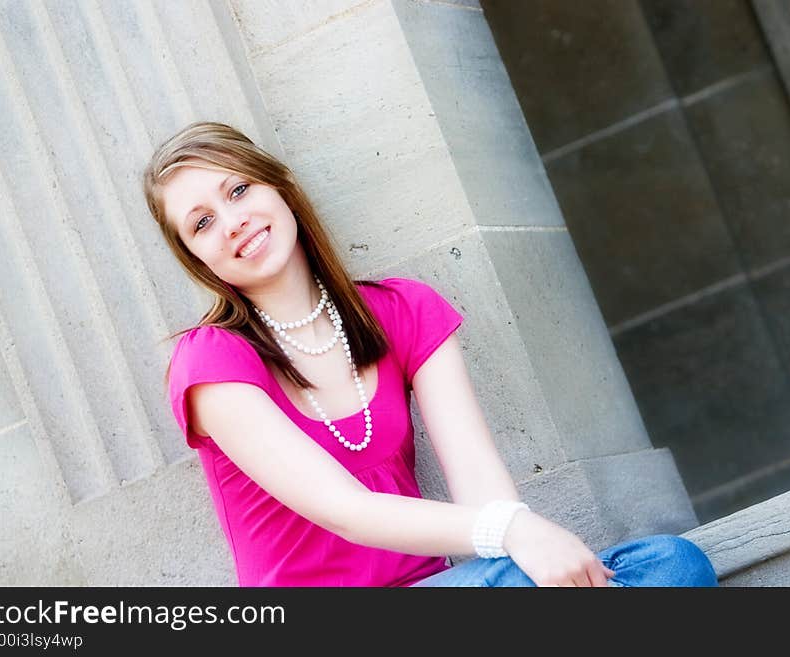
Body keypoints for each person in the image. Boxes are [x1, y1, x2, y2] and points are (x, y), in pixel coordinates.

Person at [142, 121, 718, 587]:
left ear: (279, 189)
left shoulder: (402, 311)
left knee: (673, 564)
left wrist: (524, 546)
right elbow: (347, 511)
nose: (233, 222)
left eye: (239, 190)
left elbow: (484, 493)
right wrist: (516, 536)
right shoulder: (211, 362)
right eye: (202, 224)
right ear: (199, 261)